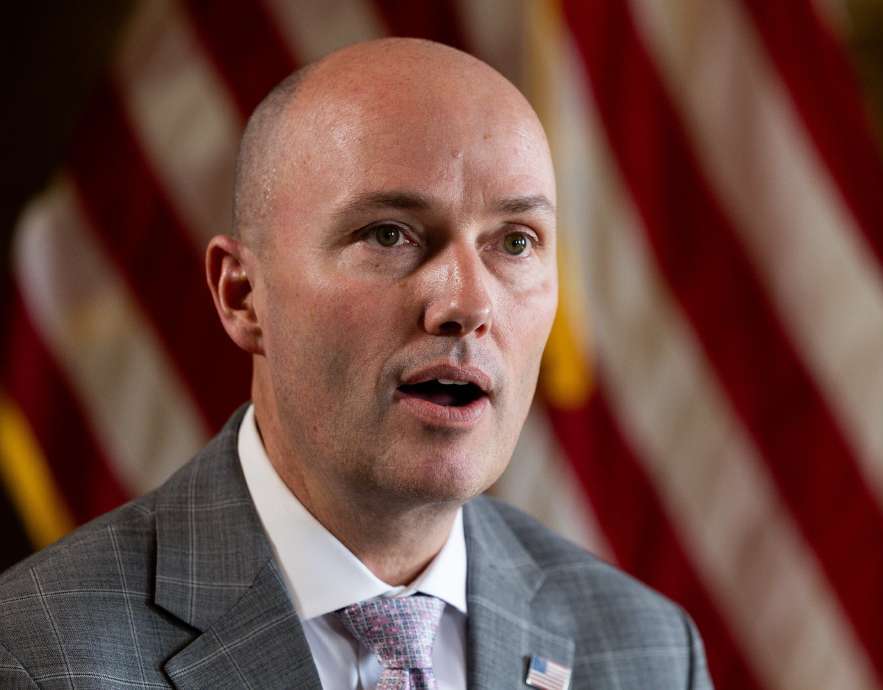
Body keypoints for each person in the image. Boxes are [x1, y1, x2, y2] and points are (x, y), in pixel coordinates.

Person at [0, 38, 712, 690]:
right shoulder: (37, 655)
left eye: (516, 243)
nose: (467, 303)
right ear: (243, 297)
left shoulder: (647, 651)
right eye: (390, 234)